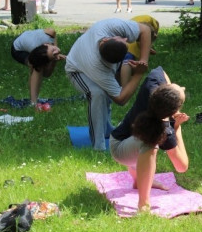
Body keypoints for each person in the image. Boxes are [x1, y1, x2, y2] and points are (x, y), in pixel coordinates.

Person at [65, 18, 152, 151]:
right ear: (105, 40)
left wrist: (143, 59)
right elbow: (121, 99)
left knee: (104, 92)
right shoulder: (98, 67)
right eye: (122, 39)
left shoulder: (112, 28)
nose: (125, 38)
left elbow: (145, 30)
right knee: (97, 93)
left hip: (92, 61)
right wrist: (139, 74)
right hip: (76, 69)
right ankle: (98, 146)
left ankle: (106, 129)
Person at [110, 66, 189, 212]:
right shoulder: (164, 129)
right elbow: (182, 166)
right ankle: (144, 204)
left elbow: (159, 71)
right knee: (150, 143)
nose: (182, 87)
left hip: (126, 141)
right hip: (119, 148)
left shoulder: (152, 90)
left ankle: (138, 180)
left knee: (147, 140)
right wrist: (177, 128)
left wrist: (174, 101)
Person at [11, 28, 66, 106]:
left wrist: (55, 57)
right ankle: (33, 102)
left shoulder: (49, 33)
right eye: (54, 52)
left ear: (46, 44)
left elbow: (47, 74)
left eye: (53, 50)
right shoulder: (36, 50)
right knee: (37, 68)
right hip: (17, 50)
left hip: (29, 40)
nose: (56, 51)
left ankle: (33, 100)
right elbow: (40, 73)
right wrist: (54, 57)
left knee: (42, 68)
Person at [120, 15, 159, 86]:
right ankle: (124, 87)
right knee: (128, 61)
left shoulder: (143, 21)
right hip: (129, 42)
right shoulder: (152, 26)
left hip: (122, 38)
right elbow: (145, 40)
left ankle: (120, 82)